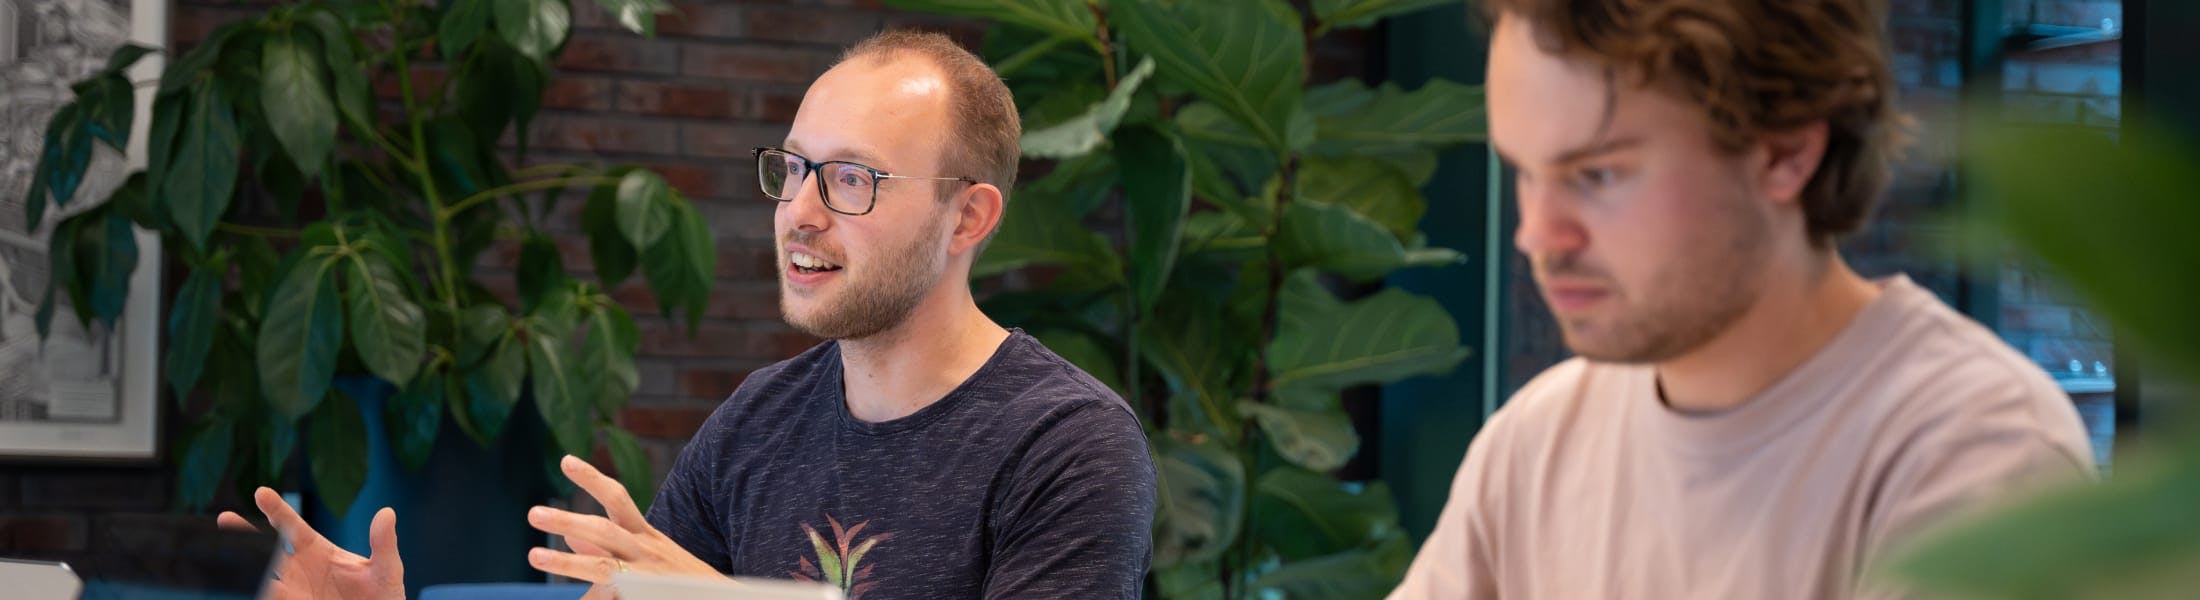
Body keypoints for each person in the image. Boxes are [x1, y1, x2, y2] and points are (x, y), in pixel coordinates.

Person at [220, 30, 1157, 600]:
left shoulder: (1068, 445)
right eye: (793, 167)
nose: (801, 209)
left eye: (853, 179)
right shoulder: (758, 421)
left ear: (970, 217)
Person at [1389, 1, 2094, 598]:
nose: (1537, 234)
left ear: (1786, 152)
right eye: (1526, 173)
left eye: (1598, 174)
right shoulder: (1536, 444)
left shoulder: (1974, 452)